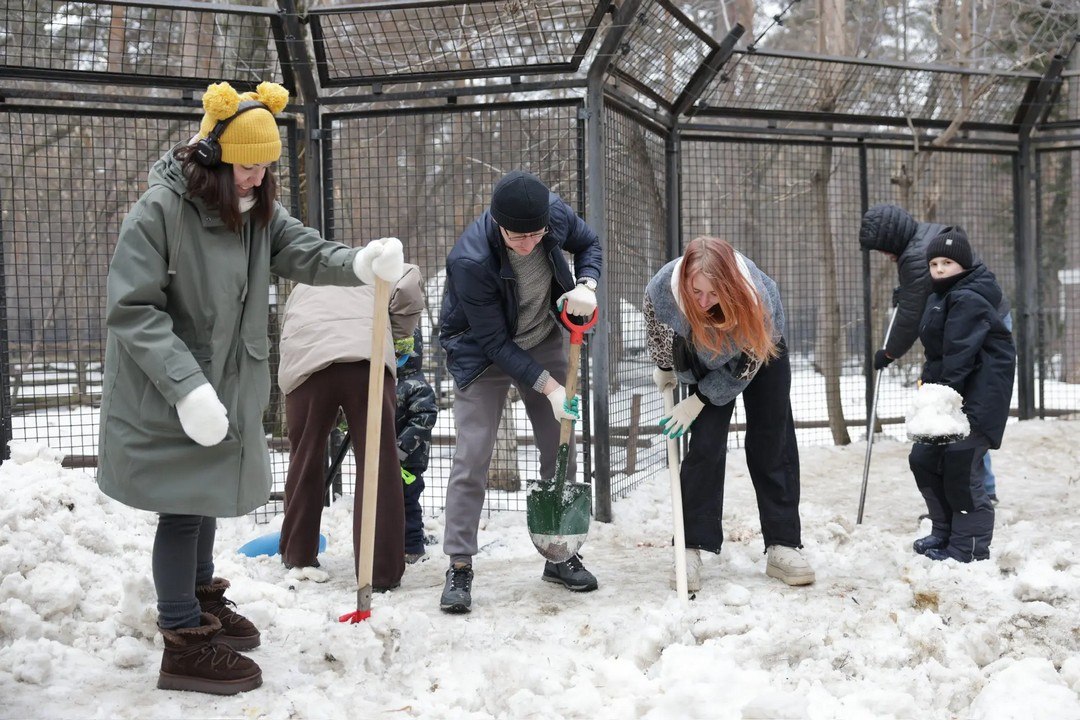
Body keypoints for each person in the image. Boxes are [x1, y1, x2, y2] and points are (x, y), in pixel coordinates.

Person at [97, 80, 403, 696]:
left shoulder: (256, 209)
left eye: (266, 166)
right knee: (184, 508)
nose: (257, 177)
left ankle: (202, 599)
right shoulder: (159, 212)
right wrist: (186, 389)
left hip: (225, 387)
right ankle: (183, 640)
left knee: (204, 496)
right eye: (247, 164)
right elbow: (132, 310)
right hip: (170, 389)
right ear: (212, 155)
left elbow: (303, 250)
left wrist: (359, 263)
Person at [437, 169, 603, 613]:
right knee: (473, 454)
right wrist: (547, 386)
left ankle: (560, 553)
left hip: (546, 334)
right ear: (497, 223)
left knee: (561, 443)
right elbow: (494, 342)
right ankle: (459, 565)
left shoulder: (553, 214)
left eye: (536, 235)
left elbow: (589, 244)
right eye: (518, 237)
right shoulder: (470, 260)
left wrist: (586, 284)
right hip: (482, 349)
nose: (529, 244)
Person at [644, 236, 814, 591]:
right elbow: (658, 327)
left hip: (761, 349)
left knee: (773, 440)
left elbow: (747, 363)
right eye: (697, 292)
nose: (704, 302)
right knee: (704, 444)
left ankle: (784, 543)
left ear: (730, 287)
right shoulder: (662, 288)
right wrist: (664, 366)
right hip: (702, 352)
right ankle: (690, 546)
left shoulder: (755, 296)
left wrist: (699, 399)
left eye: (713, 293)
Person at [276, 263, 425, 591]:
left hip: (307, 362)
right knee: (379, 462)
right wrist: (397, 332)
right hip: (365, 358)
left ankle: (297, 554)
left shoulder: (304, 280)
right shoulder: (378, 266)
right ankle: (382, 571)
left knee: (305, 456)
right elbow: (410, 283)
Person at [859, 204, 1010, 503]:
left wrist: (890, 353)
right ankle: (983, 488)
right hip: (986, 317)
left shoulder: (916, 257)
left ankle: (977, 491)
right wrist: (911, 290)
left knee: (962, 407)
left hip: (975, 326)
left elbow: (912, 317)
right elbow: (929, 293)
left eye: (883, 249)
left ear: (892, 239)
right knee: (966, 407)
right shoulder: (927, 232)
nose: (885, 256)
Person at [909, 228, 1015, 562]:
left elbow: (959, 355)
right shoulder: (939, 297)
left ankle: (968, 548)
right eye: (934, 263)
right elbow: (936, 356)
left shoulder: (969, 297)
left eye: (948, 262)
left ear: (964, 265)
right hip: (950, 398)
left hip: (978, 400)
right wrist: (928, 388)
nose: (939, 269)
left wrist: (939, 402)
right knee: (923, 459)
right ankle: (944, 531)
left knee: (959, 465)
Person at [394, 327, 438, 564]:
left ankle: (413, 546)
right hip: (389, 458)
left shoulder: (416, 385)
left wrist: (400, 448)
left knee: (408, 501)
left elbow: (425, 417)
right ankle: (394, 541)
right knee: (391, 501)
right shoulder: (387, 381)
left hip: (409, 460)